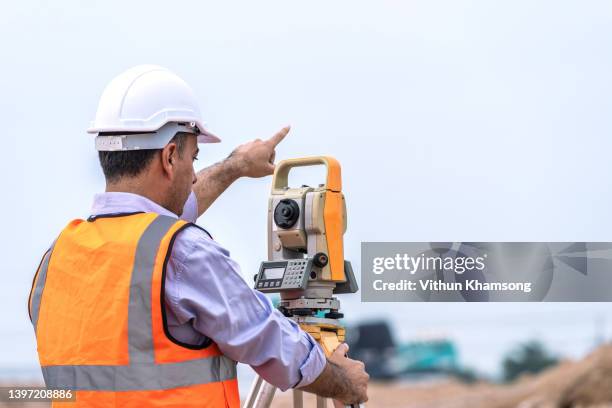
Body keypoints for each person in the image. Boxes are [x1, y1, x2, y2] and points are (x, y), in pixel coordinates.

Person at [28, 65, 368, 407]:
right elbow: (269, 342)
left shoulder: (56, 258)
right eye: (194, 157)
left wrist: (235, 166)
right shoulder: (183, 253)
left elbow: (152, 222)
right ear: (170, 156)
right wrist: (343, 382)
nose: (193, 177)